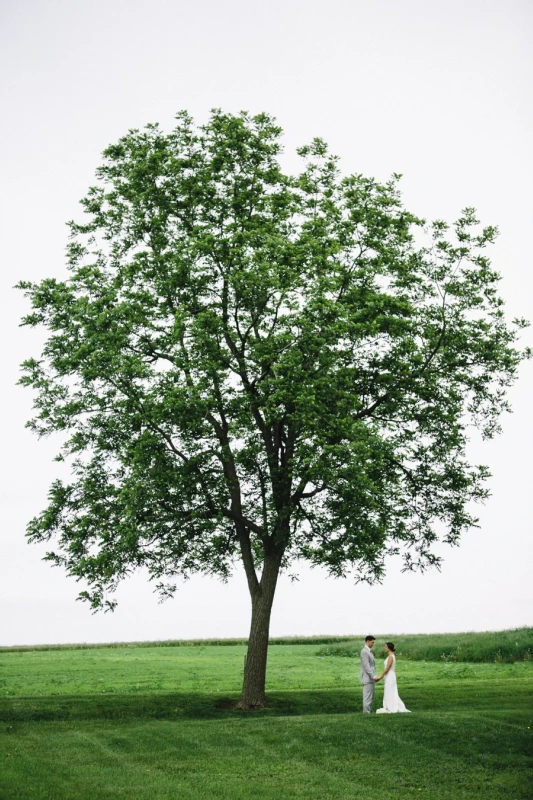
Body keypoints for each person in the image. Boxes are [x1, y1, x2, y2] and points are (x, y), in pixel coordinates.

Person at [375, 642, 411, 714]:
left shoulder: (391, 656)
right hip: (389, 675)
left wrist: (380, 677)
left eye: (385, 647)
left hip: (390, 676)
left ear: (389, 648)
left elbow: (387, 668)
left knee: (391, 691)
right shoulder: (390, 656)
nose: (384, 648)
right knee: (389, 691)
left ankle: (392, 706)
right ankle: (389, 705)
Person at [360, 635, 379, 713]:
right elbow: (366, 666)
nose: (373, 644)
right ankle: (366, 713)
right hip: (367, 678)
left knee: (371, 696)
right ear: (367, 641)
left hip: (370, 679)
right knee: (367, 697)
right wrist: (373, 676)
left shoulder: (369, 651)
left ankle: (369, 711)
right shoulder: (364, 651)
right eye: (372, 642)